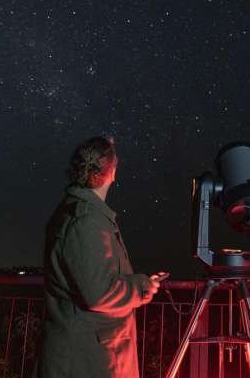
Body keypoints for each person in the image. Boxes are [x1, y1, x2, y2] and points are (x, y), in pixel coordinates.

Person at [36, 136, 162, 378]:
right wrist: (142, 287)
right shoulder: (86, 221)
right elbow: (99, 293)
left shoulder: (83, 214)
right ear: (111, 171)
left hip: (90, 353)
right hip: (87, 359)